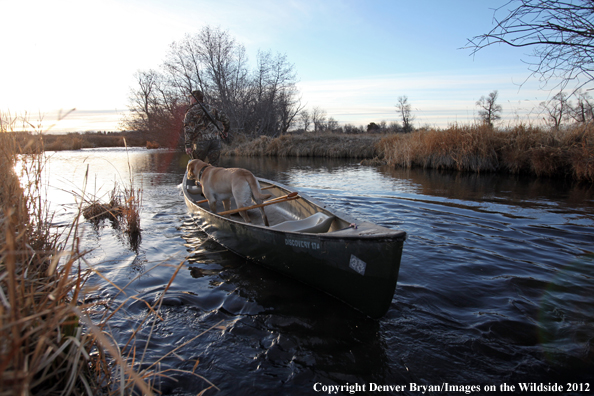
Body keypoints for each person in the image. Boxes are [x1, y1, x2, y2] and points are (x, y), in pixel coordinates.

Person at [183, 90, 230, 167]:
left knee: (197, 167)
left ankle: (198, 179)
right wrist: (225, 130)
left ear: (194, 99)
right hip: (215, 141)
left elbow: (188, 129)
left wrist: (188, 145)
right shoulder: (212, 108)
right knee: (214, 168)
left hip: (200, 142)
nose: (190, 100)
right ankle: (213, 179)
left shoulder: (191, 111)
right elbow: (226, 119)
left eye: (190, 98)